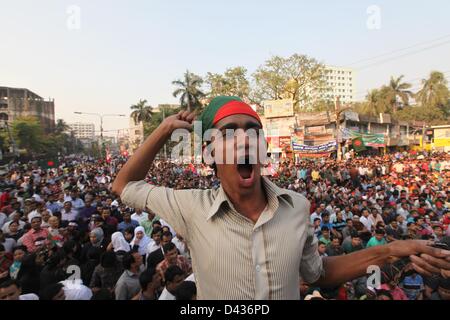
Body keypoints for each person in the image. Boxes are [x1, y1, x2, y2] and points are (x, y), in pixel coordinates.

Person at [113, 96, 450, 299]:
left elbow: (319, 274)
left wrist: (391, 250)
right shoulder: (190, 207)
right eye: (229, 133)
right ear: (209, 154)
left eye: (252, 131)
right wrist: (164, 129)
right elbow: (123, 185)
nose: (244, 140)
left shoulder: (297, 207)